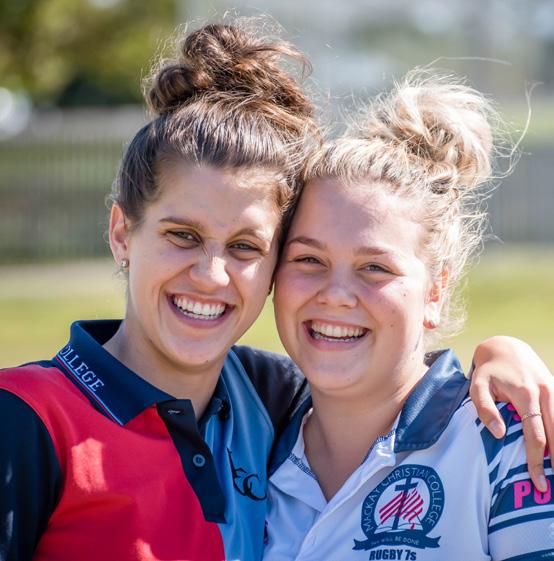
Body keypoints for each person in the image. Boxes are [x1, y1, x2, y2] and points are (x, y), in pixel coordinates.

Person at [0, 21, 551, 561]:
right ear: (122, 233)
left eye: (245, 246)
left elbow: (390, 377)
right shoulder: (24, 417)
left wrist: (502, 355)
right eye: (182, 236)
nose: (211, 275)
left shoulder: (266, 400)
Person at [264, 70, 554, 561]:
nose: (336, 295)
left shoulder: (508, 440)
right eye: (309, 259)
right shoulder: (245, 442)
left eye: (374, 267)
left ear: (435, 291)